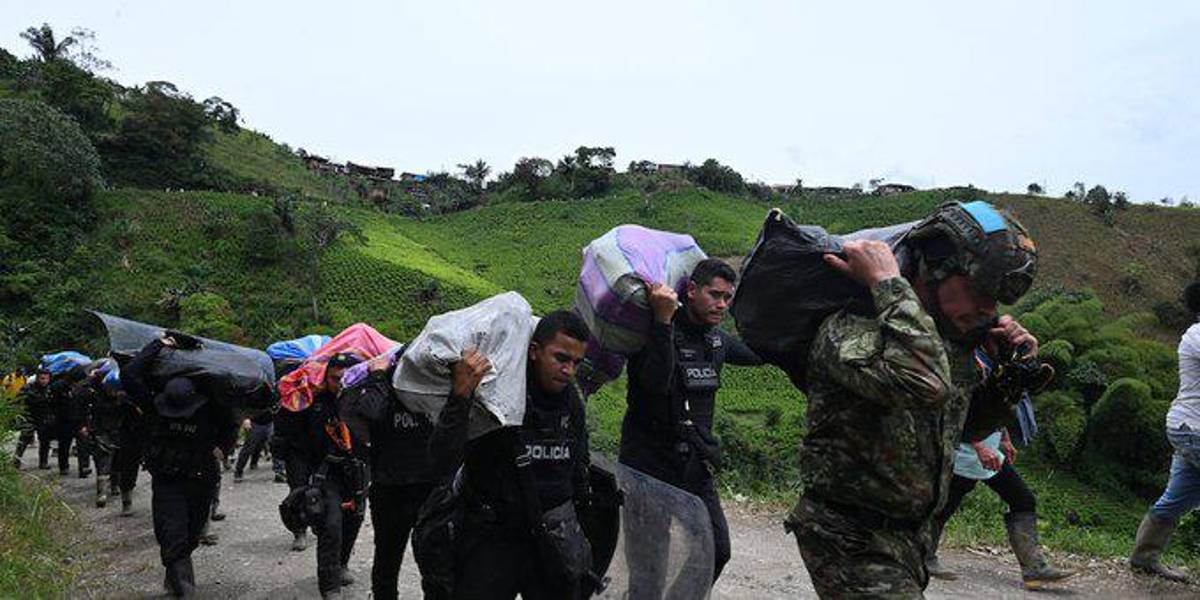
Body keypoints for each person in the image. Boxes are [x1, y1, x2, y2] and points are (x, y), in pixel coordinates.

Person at [787, 201, 1041, 598]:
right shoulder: (852, 331)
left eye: (996, 302)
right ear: (931, 270)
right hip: (849, 537)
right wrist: (888, 282)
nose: (988, 310)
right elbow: (927, 386)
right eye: (978, 292)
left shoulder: (940, 344)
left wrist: (1003, 378)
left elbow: (964, 426)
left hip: (908, 539)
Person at [618, 258, 763, 591]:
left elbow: (761, 354)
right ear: (692, 291)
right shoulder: (653, 332)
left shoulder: (717, 341)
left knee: (716, 550)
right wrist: (663, 321)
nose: (722, 304)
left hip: (694, 467)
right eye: (715, 295)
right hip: (647, 467)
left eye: (727, 297)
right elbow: (655, 382)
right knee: (649, 567)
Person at [428, 310, 593, 600]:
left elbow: (579, 469)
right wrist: (461, 395)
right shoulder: (498, 396)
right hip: (492, 539)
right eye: (561, 358)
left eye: (576, 363)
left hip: (549, 541)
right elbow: (441, 459)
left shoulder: (572, 405)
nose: (569, 370)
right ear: (534, 352)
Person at [122, 336, 238, 597]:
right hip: (167, 477)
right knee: (171, 533)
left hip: (201, 476)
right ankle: (186, 589)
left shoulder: (211, 404)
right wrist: (157, 344)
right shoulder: (154, 405)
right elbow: (130, 375)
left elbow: (231, 421)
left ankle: (175, 572)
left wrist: (224, 446)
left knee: (192, 535)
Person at [339, 350, 438, 600]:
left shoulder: (435, 388)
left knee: (434, 562)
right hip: (390, 490)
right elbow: (371, 412)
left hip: (430, 490)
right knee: (387, 561)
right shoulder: (383, 387)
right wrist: (380, 376)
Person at [927, 422, 1072, 588]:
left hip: (990, 455)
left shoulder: (1004, 396)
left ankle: (1034, 568)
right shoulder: (973, 395)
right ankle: (923, 557)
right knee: (943, 508)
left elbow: (997, 412)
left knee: (1023, 499)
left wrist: (1004, 438)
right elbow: (960, 416)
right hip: (965, 456)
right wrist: (980, 446)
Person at [1129, 281, 1200, 582]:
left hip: (1188, 427)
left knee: (1179, 495)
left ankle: (1145, 557)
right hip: (1193, 428)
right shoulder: (1197, 334)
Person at [283, 352, 368, 599]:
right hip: (326, 473)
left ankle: (342, 564)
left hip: (358, 473)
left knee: (354, 520)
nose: (339, 383)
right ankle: (329, 585)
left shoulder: (365, 402)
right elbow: (296, 441)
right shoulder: (314, 402)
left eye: (345, 378)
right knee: (331, 525)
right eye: (333, 378)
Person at [13, 368, 54, 470]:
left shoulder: (50, 389)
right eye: (42, 378)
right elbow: (18, 400)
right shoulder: (28, 388)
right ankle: (16, 461)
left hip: (43, 418)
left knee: (45, 441)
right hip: (29, 417)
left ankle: (43, 462)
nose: (44, 381)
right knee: (24, 439)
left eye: (46, 379)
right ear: (37, 378)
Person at [54, 372, 91, 478]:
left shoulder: (84, 390)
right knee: (64, 445)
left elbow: (86, 407)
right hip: (64, 420)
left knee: (83, 444)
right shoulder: (60, 387)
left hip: (79, 420)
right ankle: (63, 466)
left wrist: (85, 424)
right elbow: (55, 402)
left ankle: (84, 467)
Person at [233, 408, 275, 482]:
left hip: (270, 421)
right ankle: (238, 471)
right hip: (255, 422)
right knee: (248, 448)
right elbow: (244, 403)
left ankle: (279, 471)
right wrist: (245, 418)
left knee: (274, 445)